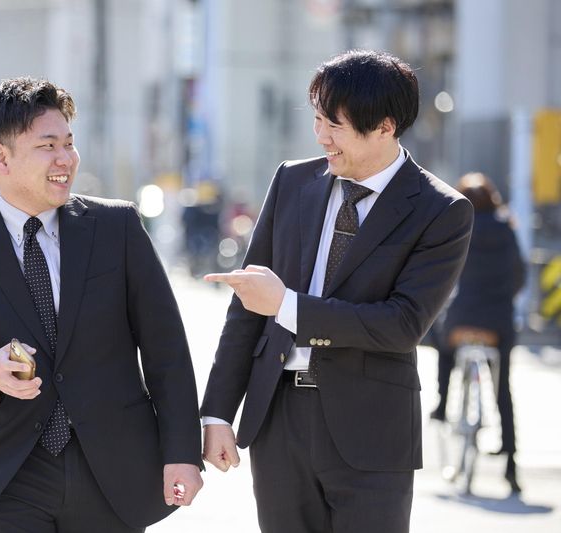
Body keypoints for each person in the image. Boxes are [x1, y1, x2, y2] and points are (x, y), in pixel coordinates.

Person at [0, 77, 203, 533]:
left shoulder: (117, 227)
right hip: (4, 477)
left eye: (68, 143)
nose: (66, 158)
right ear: (1, 158)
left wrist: (182, 452)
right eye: (48, 146)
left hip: (112, 475)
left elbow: (167, 349)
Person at [200, 50, 474, 533]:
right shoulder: (292, 180)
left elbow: (402, 324)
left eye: (335, 125)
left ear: (385, 127)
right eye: (317, 119)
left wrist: (287, 305)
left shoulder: (441, 210)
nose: (321, 135)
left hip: (371, 431)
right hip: (278, 420)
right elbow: (247, 306)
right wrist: (217, 413)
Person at [430, 172, 526, 493]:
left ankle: (442, 403)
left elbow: (441, 274)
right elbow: (519, 275)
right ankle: (511, 463)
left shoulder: (457, 226)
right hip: (497, 323)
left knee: (442, 345)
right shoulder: (506, 229)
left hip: (462, 320)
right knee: (503, 387)